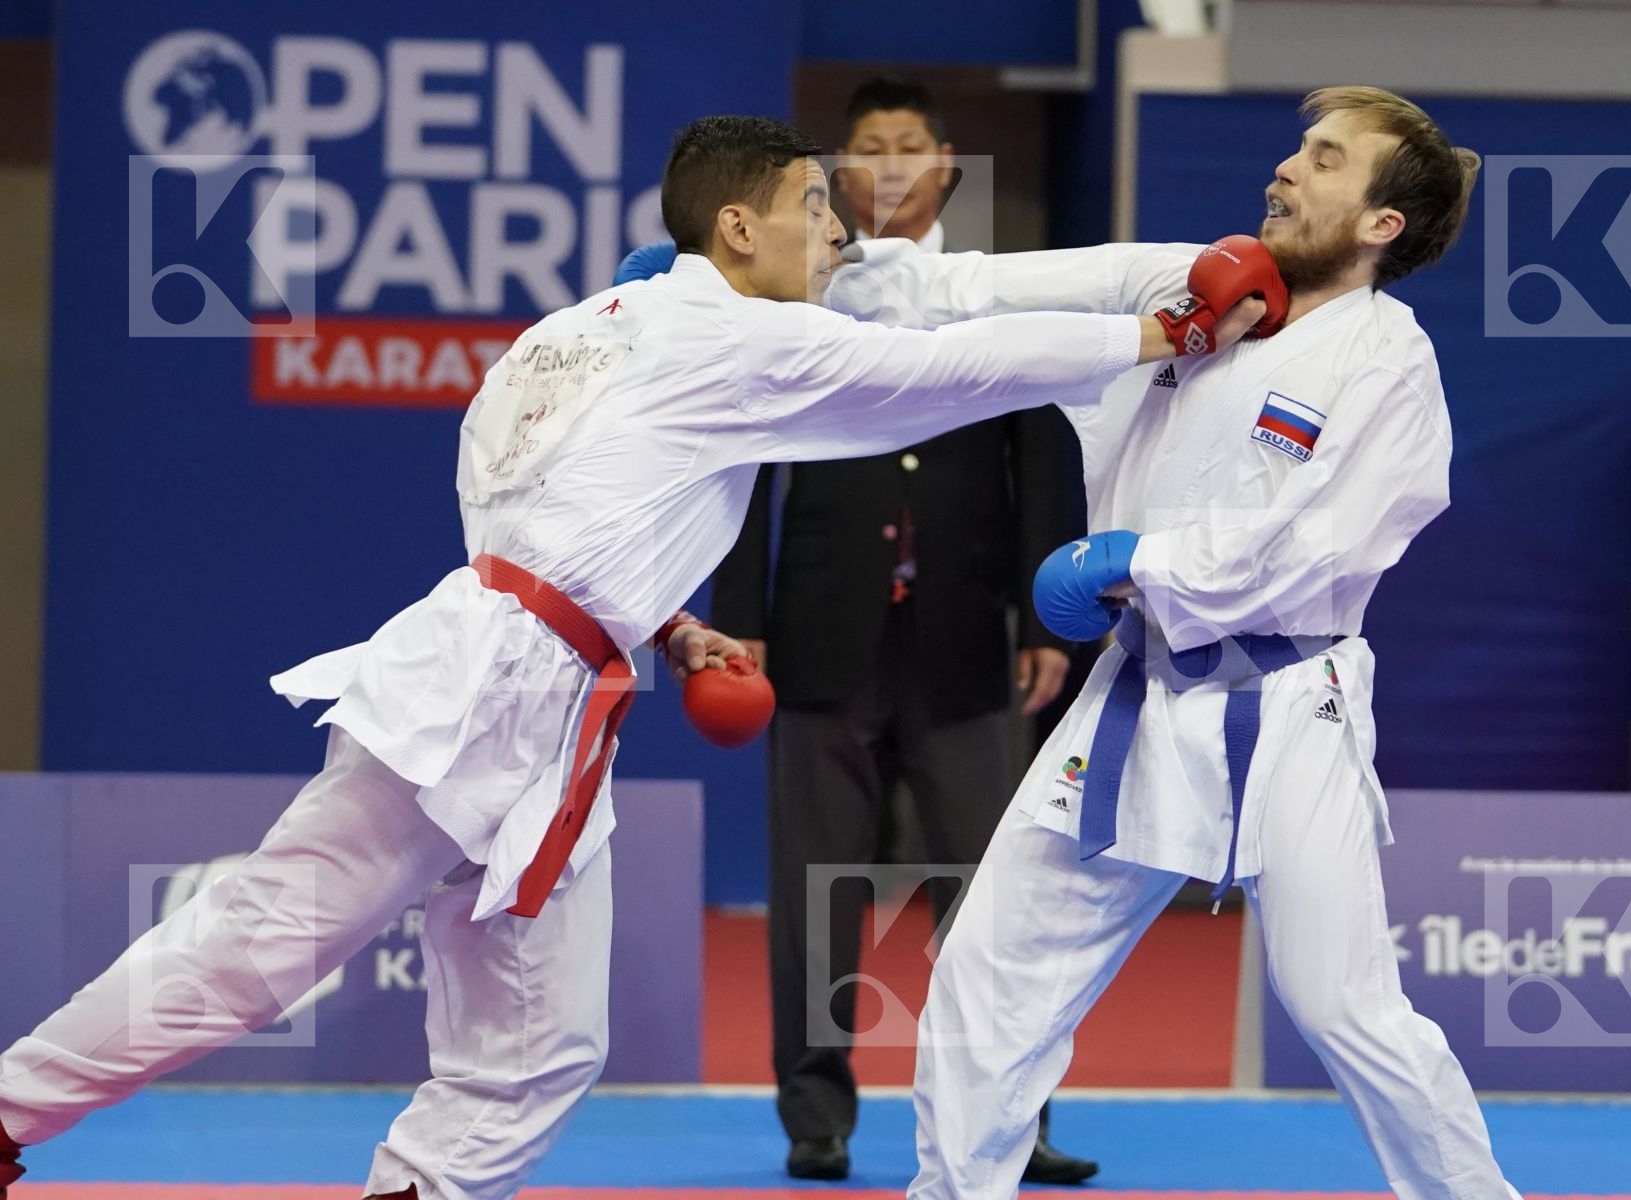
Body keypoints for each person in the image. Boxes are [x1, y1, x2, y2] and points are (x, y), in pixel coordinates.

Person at [0, 115, 1237, 1200]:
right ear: (739, 226)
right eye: (816, 209)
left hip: (534, 682)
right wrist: (1152, 335)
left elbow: (519, 499)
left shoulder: (569, 331)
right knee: (258, 948)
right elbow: (932, 375)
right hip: (493, 692)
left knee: (538, 1051)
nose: (838, 236)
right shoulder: (732, 337)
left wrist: (658, 621)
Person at [827, 87, 1515, 1200]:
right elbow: (975, 289)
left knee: (1343, 1005)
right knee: (988, 972)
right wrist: (768, 286)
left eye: (1325, 160)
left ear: (1384, 223)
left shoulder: (1388, 366)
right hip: (1136, 693)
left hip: (1291, 699)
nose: (1287, 171)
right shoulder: (1187, 280)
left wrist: (1130, 561)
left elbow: (1310, 551)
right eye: (1298, 150)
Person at [707, 78, 1096, 1185]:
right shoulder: (793, 292)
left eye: (907, 145)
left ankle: (1011, 1122)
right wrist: (741, 623)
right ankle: (815, 1119)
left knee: (996, 898)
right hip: (819, 631)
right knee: (815, 893)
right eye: (866, 148)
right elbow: (744, 465)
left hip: (971, 636)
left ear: (946, 165)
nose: (887, 164)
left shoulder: (997, 296)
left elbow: (1044, 459)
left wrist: (1047, 615)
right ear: (838, 169)